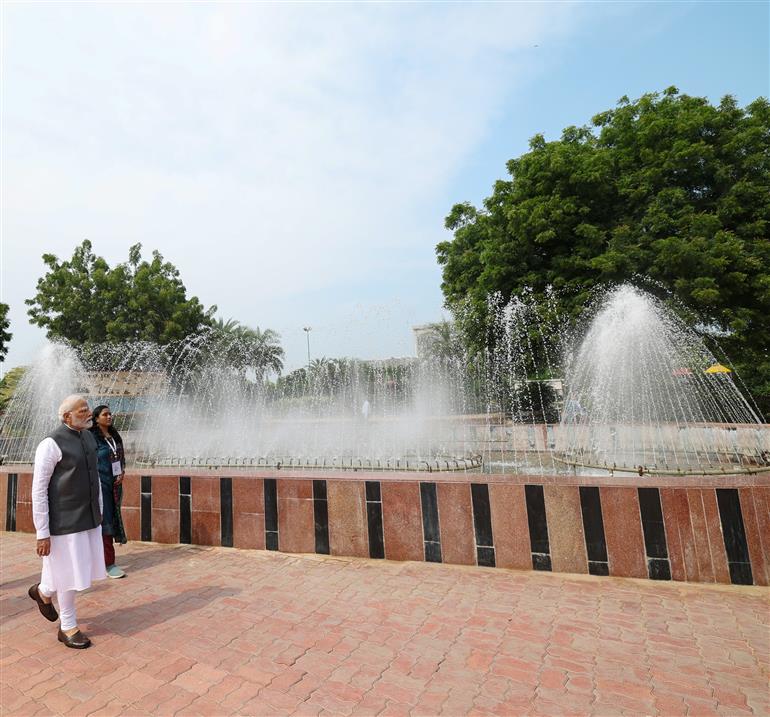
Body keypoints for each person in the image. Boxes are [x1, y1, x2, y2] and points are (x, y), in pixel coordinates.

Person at [28, 395, 106, 649]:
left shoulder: (88, 437)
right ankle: (68, 627)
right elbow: (38, 490)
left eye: (87, 409)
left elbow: (95, 477)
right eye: (81, 410)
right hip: (63, 522)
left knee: (74, 569)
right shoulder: (50, 444)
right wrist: (42, 532)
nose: (87, 413)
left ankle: (43, 591)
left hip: (88, 516)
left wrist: (100, 510)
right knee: (67, 574)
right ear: (66, 416)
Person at [90, 404, 127, 578]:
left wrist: (122, 472)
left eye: (110, 414)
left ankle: (103, 560)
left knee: (111, 520)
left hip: (115, 486)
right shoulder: (91, 437)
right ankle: (108, 563)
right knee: (104, 523)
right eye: (105, 414)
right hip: (99, 486)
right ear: (96, 419)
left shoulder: (114, 435)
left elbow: (121, 457)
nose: (109, 417)